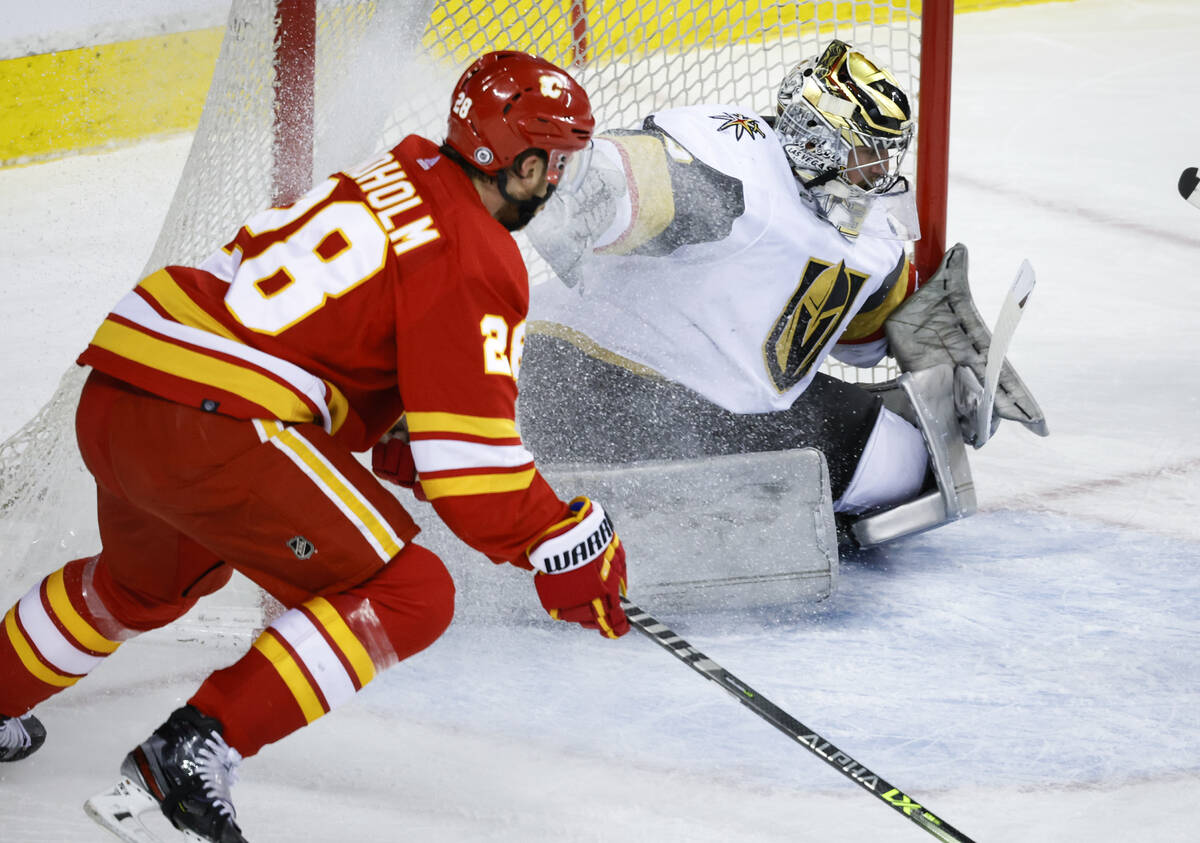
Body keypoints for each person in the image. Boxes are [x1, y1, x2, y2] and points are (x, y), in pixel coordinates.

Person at [0, 50, 628, 843]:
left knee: (140, 583)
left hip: (124, 386)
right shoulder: (477, 255)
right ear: (525, 163)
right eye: (557, 160)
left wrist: (394, 425)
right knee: (413, 592)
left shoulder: (403, 169)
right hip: (217, 422)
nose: (559, 179)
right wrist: (560, 538)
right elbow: (476, 474)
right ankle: (186, 756)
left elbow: (342, 335)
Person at [519, 39, 1041, 544]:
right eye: (868, 153)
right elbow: (643, 176)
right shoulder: (736, 152)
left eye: (888, 157)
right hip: (580, 374)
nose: (881, 174)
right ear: (817, 137)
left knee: (911, 462)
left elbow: (868, 337)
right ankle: (657, 513)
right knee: (888, 466)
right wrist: (587, 187)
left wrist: (946, 370)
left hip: (708, 407)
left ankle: (692, 508)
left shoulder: (871, 234)